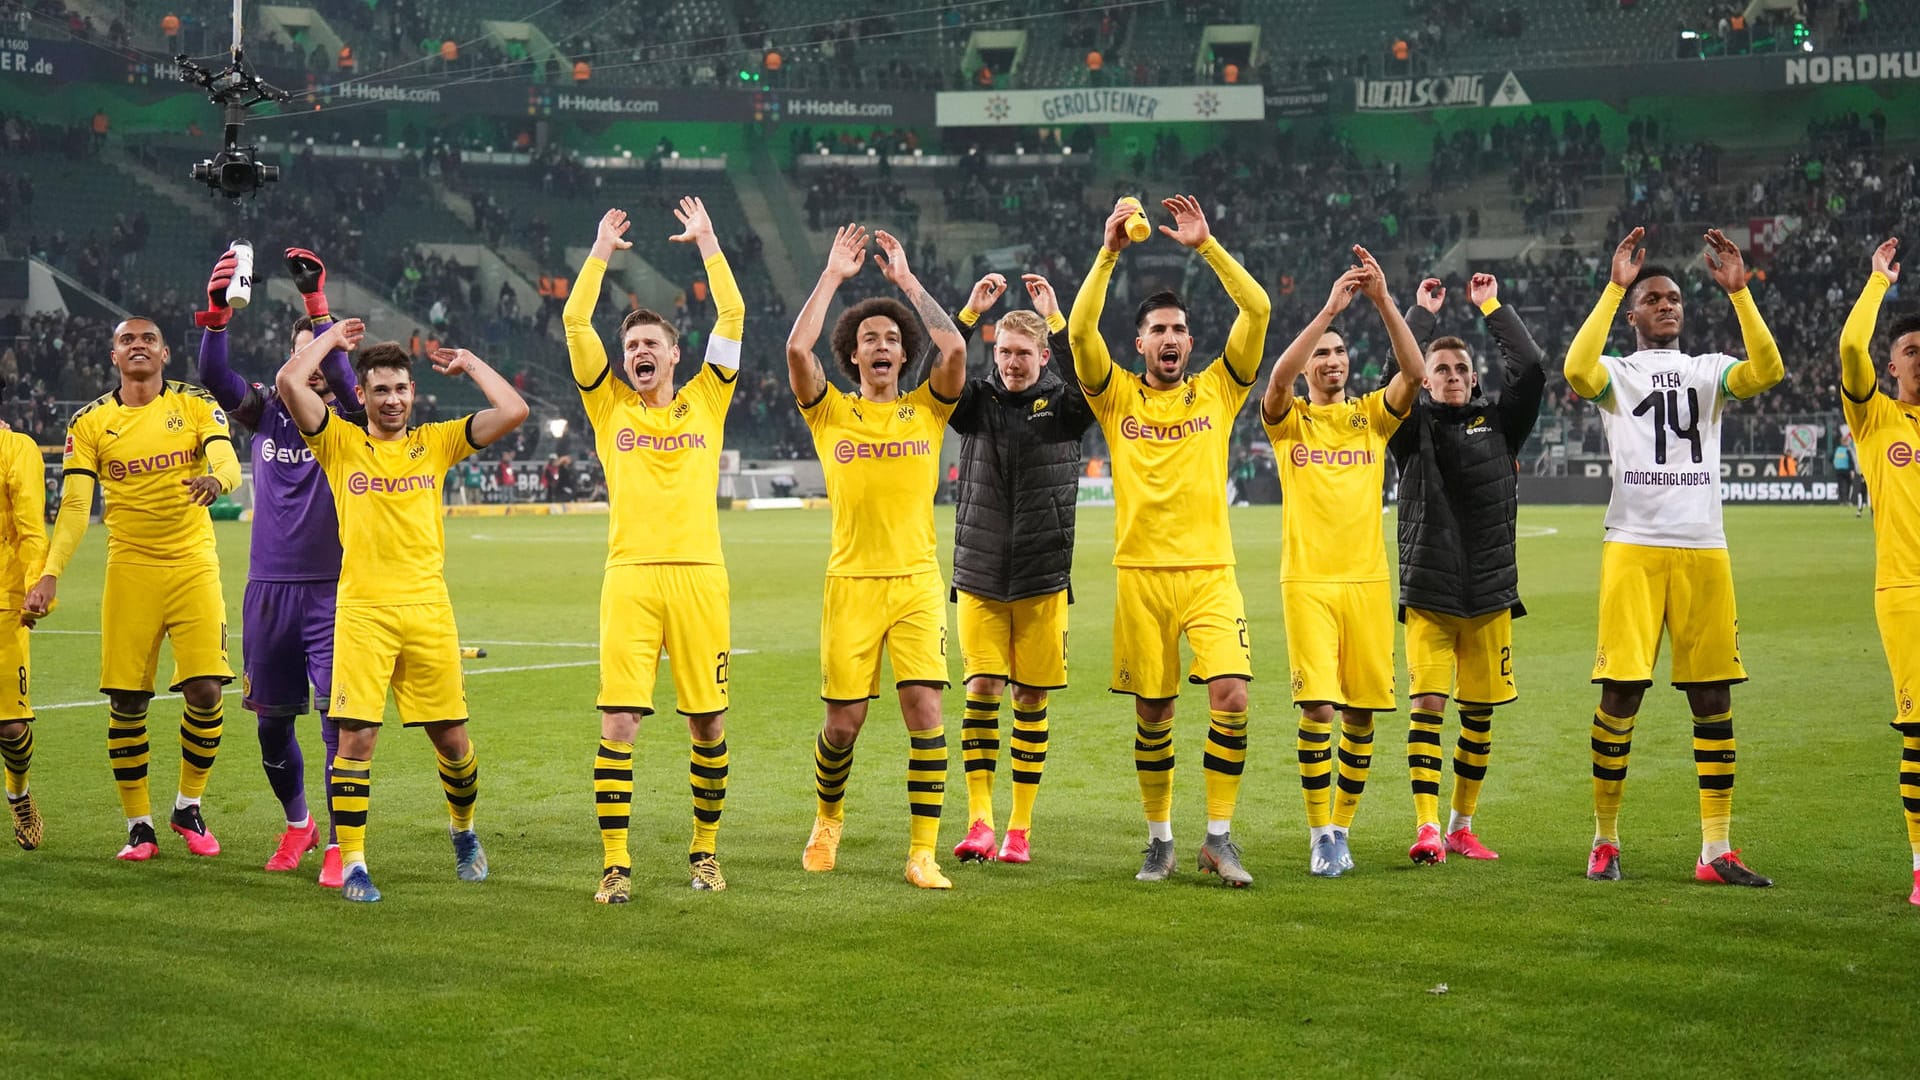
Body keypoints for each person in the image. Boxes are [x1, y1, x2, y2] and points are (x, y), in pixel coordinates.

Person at [277, 324, 529, 902]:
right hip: (363, 611)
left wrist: (470, 361)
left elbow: (513, 408)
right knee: (355, 740)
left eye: (401, 389)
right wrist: (333, 337)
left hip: (427, 609)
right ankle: (357, 863)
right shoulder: (337, 442)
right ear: (360, 396)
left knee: (453, 741)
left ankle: (463, 832)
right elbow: (291, 379)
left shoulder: (436, 442)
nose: (392, 399)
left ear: (413, 393)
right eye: (381, 390)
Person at [1565, 227, 1783, 887]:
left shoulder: (1710, 369)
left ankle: (1716, 849)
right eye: (1654, 299)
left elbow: (1768, 370)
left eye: (1676, 299)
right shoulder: (1618, 375)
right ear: (1633, 315)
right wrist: (1613, 286)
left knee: (1712, 697)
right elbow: (1577, 368)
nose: (1668, 306)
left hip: (1702, 547)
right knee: (1622, 692)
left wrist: (1741, 295)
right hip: (1633, 546)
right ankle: (1605, 841)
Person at [1068, 195, 1270, 886]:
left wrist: (1207, 248)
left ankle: (1219, 836)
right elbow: (1078, 333)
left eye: (1180, 328)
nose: (1172, 337)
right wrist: (1108, 253)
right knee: (1154, 712)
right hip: (1141, 575)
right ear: (1141, 343)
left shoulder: (1219, 389)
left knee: (1233, 695)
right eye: (1159, 328)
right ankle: (1161, 840)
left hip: (1212, 571)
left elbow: (1260, 312)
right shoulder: (1115, 395)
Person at [565, 199, 744, 903]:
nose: (639, 352)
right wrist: (601, 249)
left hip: (702, 578)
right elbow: (576, 321)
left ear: (676, 354)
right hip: (630, 581)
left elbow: (731, 319)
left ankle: (705, 853)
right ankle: (615, 864)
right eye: (630, 344)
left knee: (709, 723)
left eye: (651, 344)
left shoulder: (709, 398)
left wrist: (709, 241)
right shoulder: (608, 405)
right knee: (619, 723)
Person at [788, 223, 967, 890]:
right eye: (871, 340)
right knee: (844, 723)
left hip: (917, 582)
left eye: (893, 339)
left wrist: (906, 283)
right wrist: (834, 276)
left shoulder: (927, 410)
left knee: (926, 712)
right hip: (852, 584)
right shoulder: (830, 413)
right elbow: (795, 348)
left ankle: (922, 851)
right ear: (854, 356)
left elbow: (952, 345)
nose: (885, 345)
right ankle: (826, 820)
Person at [25, 317, 242, 861]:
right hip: (130, 569)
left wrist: (217, 480)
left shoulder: (195, 403)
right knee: (127, 699)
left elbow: (225, 458)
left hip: (193, 563)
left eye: (148, 339)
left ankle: (188, 806)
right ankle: (138, 825)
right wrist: (51, 572)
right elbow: (76, 507)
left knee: (207, 691)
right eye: (127, 339)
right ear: (113, 355)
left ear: (166, 353)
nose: (138, 346)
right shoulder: (91, 422)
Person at [194, 243, 360, 886]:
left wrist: (318, 311)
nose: (313, 370)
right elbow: (214, 377)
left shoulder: (349, 420)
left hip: (332, 593)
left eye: (321, 358)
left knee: (335, 725)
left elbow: (345, 381)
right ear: (289, 363)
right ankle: (299, 825)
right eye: (302, 357)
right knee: (270, 728)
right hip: (267, 592)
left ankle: (343, 843)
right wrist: (215, 314)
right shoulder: (263, 416)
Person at [1260, 248, 1425, 878]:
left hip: (1366, 580)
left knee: (1360, 713)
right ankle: (1317, 830)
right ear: (1310, 366)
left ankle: (1342, 828)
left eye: (1338, 352)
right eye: (1322, 353)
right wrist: (1329, 308)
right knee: (1319, 710)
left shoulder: (1371, 419)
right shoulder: (1290, 420)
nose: (1331, 361)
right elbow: (1275, 378)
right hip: (1307, 582)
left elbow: (1413, 372)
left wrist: (1383, 300)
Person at [1392, 272, 1545, 865]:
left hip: (1489, 595)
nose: (1452, 378)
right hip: (1428, 593)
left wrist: (1493, 307)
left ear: (1474, 378)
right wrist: (1420, 317)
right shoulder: (1410, 428)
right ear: (1425, 382)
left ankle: (1461, 825)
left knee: (1478, 715)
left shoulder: (1503, 422)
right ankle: (1427, 827)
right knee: (1428, 706)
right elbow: (1391, 378)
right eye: (1440, 371)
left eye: (1461, 370)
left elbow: (1530, 366)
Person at [945, 271, 1094, 866]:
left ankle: (1019, 829)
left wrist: (1058, 318)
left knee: (1030, 699)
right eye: (1003, 352)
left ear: (1041, 355)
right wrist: (968, 314)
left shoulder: (1063, 406)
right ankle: (979, 821)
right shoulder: (973, 403)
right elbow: (938, 372)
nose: (1011, 363)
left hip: (1041, 577)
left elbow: (1093, 383)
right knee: (982, 691)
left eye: (1022, 353)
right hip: (979, 574)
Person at [1837, 237, 1920, 904]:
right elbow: (1846, 350)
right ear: (1891, 365)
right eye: (1911, 351)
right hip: (1906, 594)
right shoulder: (1876, 420)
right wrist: (1876, 284)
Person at [0, 415, 46, 851]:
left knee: (10, 727)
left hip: (3, 598)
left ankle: (18, 795)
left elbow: (32, 526)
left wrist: (36, 584)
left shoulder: (17, 449)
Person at [1833, 430, 1861, 516]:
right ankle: (1847, 501)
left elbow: (1831, 458)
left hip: (1838, 470)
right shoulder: (1847, 450)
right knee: (1848, 485)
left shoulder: (1837, 450)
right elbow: (1851, 461)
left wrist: (1835, 464)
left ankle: (1841, 500)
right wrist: (1852, 470)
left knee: (1840, 485)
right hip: (1846, 470)